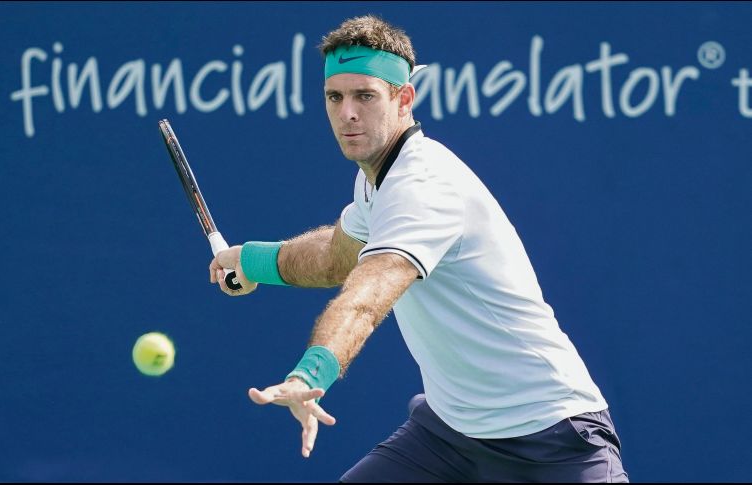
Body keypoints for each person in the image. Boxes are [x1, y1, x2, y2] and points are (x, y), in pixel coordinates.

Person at [208, 14, 628, 483]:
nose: (347, 112)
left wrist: (310, 376)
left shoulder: (422, 186)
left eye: (365, 95)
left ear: (403, 98)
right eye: (335, 96)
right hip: (451, 437)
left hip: (552, 438)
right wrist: (253, 260)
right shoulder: (376, 179)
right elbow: (337, 256)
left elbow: (366, 297)